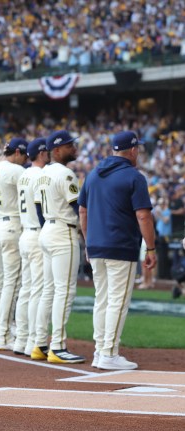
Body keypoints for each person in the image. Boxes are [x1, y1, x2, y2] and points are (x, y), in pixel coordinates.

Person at [79, 131, 156, 370]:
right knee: (117, 302)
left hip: (96, 245)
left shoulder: (92, 175)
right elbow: (143, 215)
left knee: (101, 300)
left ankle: (100, 351)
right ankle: (109, 354)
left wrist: (88, 241)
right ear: (132, 150)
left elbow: (82, 211)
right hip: (120, 246)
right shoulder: (134, 177)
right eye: (138, 149)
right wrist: (151, 248)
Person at [32, 130, 84, 364]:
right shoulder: (65, 173)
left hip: (47, 230)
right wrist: (86, 233)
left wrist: (48, 228)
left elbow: (37, 209)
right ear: (56, 150)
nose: (73, 148)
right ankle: (58, 347)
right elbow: (77, 208)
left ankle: (40, 345)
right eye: (69, 145)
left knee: (49, 290)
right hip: (63, 231)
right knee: (64, 291)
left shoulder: (42, 174)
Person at [0, 138, 28, 350]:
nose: (26, 160)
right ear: (17, 152)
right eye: (24, 155)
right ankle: (3, 334)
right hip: (11, 225)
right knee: (11, 282)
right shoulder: (16, 171)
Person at [14, 138, 49, 356]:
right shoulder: (40, 175)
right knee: (37, 289)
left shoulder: (24, 174)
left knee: (26, 289)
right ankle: (34, 342)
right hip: (36, 233)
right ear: (43, 153)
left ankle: (21, 340)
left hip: (25, 233)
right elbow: (41, 208)